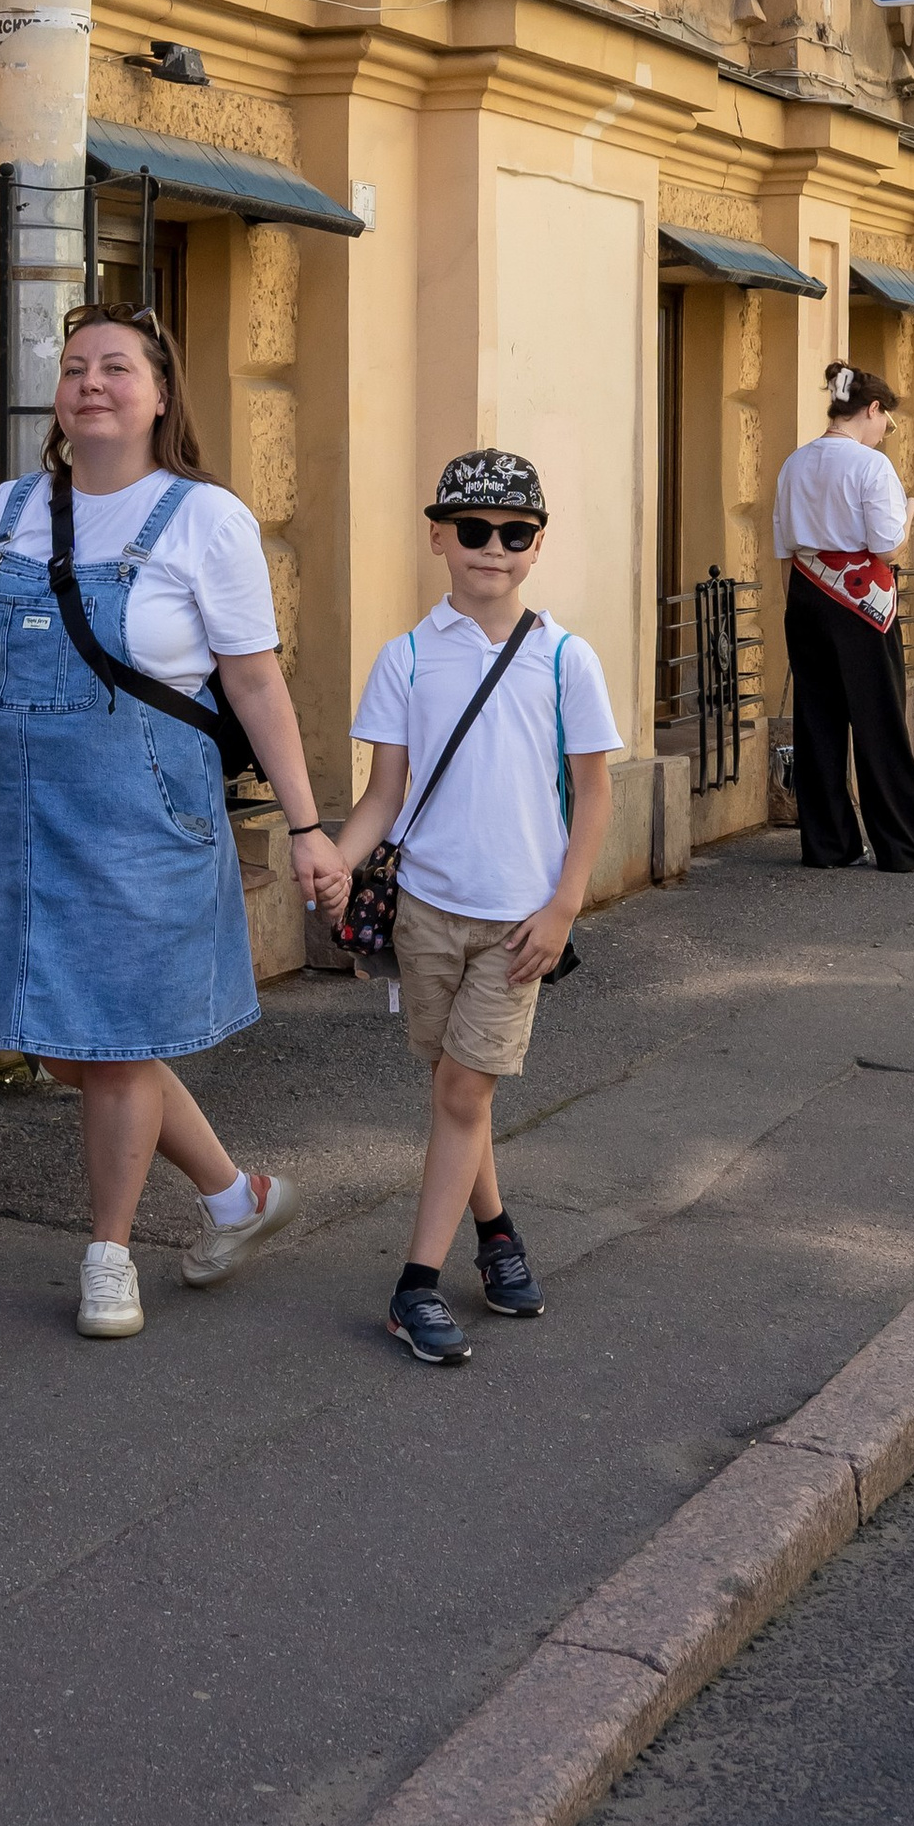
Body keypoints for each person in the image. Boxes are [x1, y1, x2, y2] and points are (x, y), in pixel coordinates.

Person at [0, 302, 346, 1341]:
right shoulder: (8, 510)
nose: (92, 383)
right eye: (75, 367)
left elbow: (254, 683)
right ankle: (236, 1198)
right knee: (70, 1047)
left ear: (161, 396)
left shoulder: (205, 518)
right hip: (26, 819)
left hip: (144, 813)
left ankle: (108, 1256)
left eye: (117, 367)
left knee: (112, 1046)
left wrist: (307, 826)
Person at [332, 451, 619, 1366]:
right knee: (460, 1089)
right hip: (424, 913)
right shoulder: (407, 657)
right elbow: (383, 796)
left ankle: (415, 1286)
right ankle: (496, 1234)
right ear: (438, 538)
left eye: (514, 532)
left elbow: (594, 793)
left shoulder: (566, 658)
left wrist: (564, 908)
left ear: (537, 545)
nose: (492, 547)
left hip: (519, 924)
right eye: (473, 529)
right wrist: (333, 860)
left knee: (463, 1090)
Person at [773, 360, 914, 875]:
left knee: (817, 723)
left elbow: (785, 548)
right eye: (888, 420)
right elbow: (886, 547)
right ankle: (903, 848)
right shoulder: (872, 466)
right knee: (878, 722)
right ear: (872, 409)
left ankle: (829, 845)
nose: (886, 431)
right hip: (860, 604)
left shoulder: (795, 462)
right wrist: (910, 512)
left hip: (805, 596)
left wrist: (796, 608)